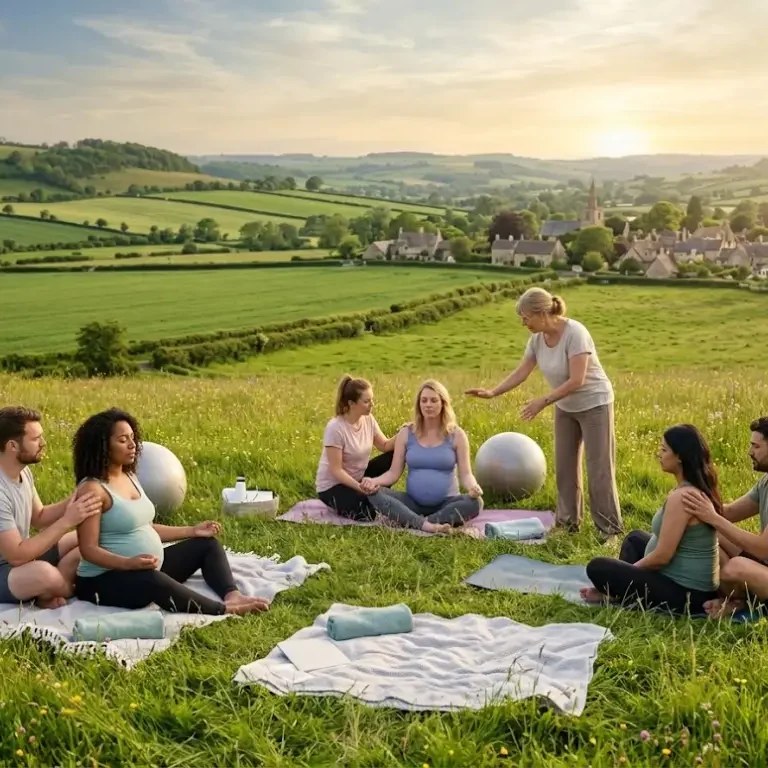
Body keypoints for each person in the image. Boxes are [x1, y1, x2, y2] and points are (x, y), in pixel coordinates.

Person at [73, 408, 269, 616]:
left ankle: (232, 596)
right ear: (102, 446)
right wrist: (128, 564)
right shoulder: (92, 489)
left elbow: (145, 527)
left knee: (207, 545)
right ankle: (223, 609)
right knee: (152, 579)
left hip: (145, 568)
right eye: (123, 440)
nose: (132, 444)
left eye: (132, 437)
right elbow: (88, 549)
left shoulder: (129, 476)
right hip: (102, 581)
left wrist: (192, 531)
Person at [466, 286, 622, 541]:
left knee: (599, 470)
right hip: (566, 406)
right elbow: (522, 371)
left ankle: (609, 531)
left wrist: (543, 401)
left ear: (542, 313)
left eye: (526, 317)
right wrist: (494, 392)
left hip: (595, 404)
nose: (523, 323)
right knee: (564, 467)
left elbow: (578, 380)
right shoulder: (537, 340)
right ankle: (567, 524)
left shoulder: (575, 333)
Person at [580, 424, 720, 615]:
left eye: (664, 450)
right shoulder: (690, 488)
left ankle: (617, 593)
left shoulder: (683, 497)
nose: (658, 454)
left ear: (679, 457)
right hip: (686, 585)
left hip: (688, 596)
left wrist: (626, 574)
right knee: (635, 538)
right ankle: (620, 592)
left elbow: (662, 557)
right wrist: (626, 574)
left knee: (597, 567)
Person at [0, 406, 102, 608]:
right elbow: (17, 556)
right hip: (6, 568)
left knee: (86, 537)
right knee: (45, 574)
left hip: (22, 557)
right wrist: (67, 521)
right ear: (13, 446)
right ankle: (59, 585)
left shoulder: (22, 471)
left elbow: (39, 516)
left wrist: (76, 499)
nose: (43, 443)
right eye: (36, 438)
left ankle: (50, 588)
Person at [360, 380, 483, 534]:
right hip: (412, 503)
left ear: (443, 403)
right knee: (374, 494)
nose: (428, 405)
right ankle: (428, 524)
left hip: (447, 503)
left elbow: (466, 474)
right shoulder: (406, 433)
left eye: (433, 400)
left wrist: (473, 487)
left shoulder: (457, 435)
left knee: (475, 503)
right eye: (424, 400)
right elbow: (393, 473)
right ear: (419, 404)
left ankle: (418, 522)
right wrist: (374, 482)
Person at [681, 416, 768, 617]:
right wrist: (695, 489)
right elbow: (728, 513)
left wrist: (713, 518)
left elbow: (763, 548)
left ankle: (742, 603)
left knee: (734, 567)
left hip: (763, 559)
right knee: (709, 533)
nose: (750, 452)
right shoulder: (765, 482)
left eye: (756, 446)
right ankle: (738, 600)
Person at [315, 375, 400, 520]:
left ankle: (373, 493)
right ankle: (368, 496)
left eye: (372, 399)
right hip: (334, 486)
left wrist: (404, 432)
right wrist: (360, 488)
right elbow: (336, 471)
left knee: (392, 455)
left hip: (359, 478)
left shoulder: (368, 419)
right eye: (366, 401)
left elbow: (385, 445)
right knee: (368, 514)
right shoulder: (335, 428)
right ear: (351, 403)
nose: (372, 404)